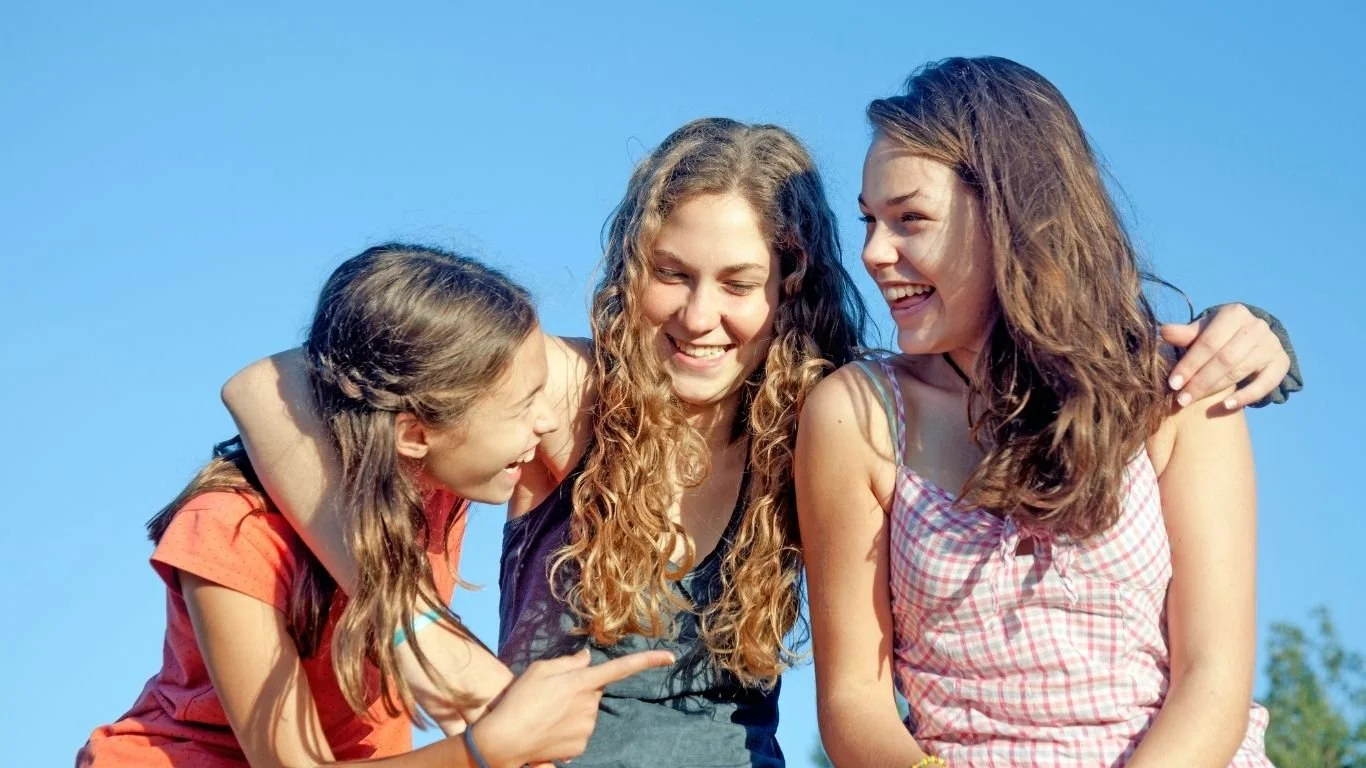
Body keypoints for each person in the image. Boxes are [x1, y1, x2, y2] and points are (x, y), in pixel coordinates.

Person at [224, 121, 1296, 766]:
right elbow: (270, 385)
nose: (699, 317)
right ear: (627, 272)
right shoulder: (566, 395)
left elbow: (1027, 381)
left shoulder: (824, 422)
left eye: (739, 284)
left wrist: (1250, 334)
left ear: (790, 288)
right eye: (672, 275)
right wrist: (400, 604)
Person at [797, 56, 1276, 766]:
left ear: (1011, 216)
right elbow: (852, 703)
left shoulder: (1180, 396)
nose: (874, 251)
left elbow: (1213, 683)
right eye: (869, 220)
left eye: (911, 220)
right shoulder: (857, 415)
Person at [79, 244, 671, 768]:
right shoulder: (233, 531)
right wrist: (487, 750)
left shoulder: (436, 489)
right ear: (414, 432)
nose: (547, 423)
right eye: (523, 405)